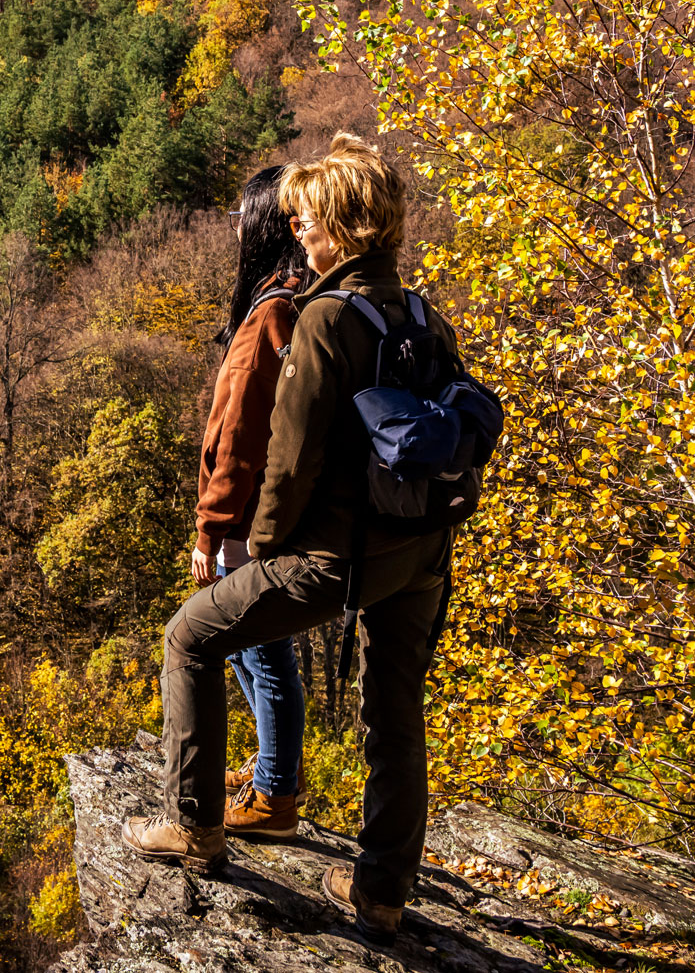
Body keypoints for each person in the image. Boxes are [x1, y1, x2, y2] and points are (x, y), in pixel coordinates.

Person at [119, 132, 459, 941]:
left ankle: (196, 827)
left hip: (337, 556)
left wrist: (261, 552)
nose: (297, 230)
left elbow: (290, 457)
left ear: (341, 227)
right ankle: (381, 890)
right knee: (395, 710)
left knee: (191, 635)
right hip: (420, 553)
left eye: (307, 220)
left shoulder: (325, 317)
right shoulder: (421, 315)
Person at [195, 166, 311, 839]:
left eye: (241, 213)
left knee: (260, 652)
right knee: (250, 646)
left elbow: (237, 430)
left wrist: (210, 529)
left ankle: (275, 793)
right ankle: (274, 765)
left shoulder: (271, 311)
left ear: (265, 222)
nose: (233, 225)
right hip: (274, 510)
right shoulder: (297, 301)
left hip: (246, 520)